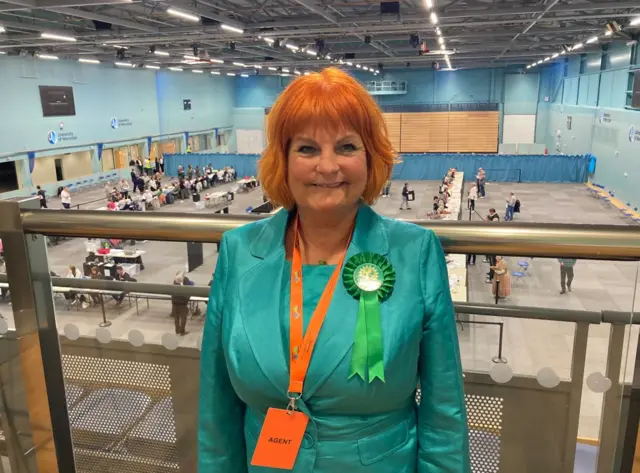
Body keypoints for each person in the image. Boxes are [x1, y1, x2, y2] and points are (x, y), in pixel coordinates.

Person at [198, 67, 469, 473]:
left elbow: (443, 410)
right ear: (283, 160)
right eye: (306, 149)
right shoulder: (239, 251)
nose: (327, 167)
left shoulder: (415, 253)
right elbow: (216, 404)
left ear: (370, 156)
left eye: (346, 146)